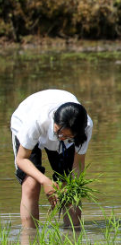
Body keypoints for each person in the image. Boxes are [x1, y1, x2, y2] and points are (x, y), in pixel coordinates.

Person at [10, 90, 94, 228]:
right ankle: (30, 240)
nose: (61, 138)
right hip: (25, 124)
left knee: (69, 185)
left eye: (67, 136)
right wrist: (45, 181)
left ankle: (73, 237)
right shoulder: (35, 121)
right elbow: (22, 159)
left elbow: (78, 164)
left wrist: (73, 186)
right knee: (31, 184)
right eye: (59, 132)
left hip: (63, 131)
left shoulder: (85, 127)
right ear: (54, 119)